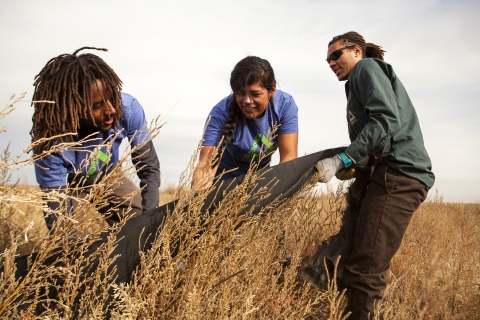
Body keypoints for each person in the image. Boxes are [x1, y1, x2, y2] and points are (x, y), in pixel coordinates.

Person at [313, 32, 435, 319]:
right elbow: (377, 137)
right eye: (327, 59)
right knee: (351, 256)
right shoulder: (354, 86)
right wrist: (355, 164)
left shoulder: (366, 68)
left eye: (335, 55)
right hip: (382, 173)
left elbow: (386, 119)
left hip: (399, 174)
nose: (331, 63)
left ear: (357, 50)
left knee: (365, 269)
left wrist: (343, 157)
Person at [30, 47, 161, 232]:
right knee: (73, 244)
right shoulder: (51, 142)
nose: (111, 110)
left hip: (108, 173)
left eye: (111, 98)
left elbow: (149, 169)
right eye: (97, 105)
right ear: (74, 107)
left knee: (140, 223)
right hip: (70, 185)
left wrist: (149, 221)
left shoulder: (128, 108)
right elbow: (57, 216)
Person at [192, 56, 298, 188]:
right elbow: (204, 168)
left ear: (272, 90)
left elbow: (289, 156)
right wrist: (196, 205)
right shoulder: (220, 113)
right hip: (224, 177)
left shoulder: (285, 105)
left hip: (260, 176)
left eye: (255, 94)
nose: (247, 101)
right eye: (240, 93)